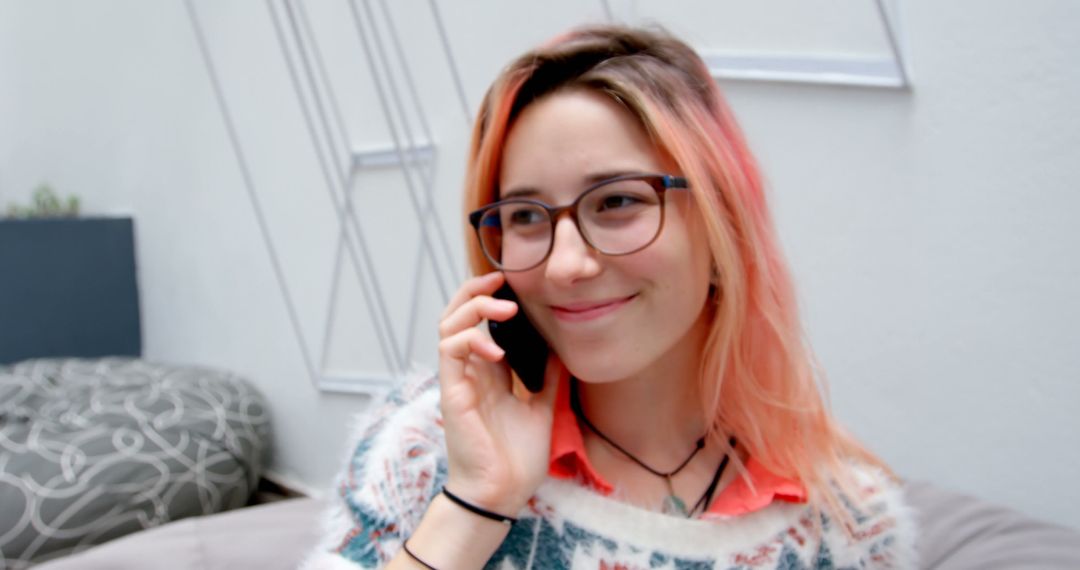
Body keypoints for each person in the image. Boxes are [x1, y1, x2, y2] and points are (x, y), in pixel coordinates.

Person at [304, 24, 915, 569]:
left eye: (618, 201)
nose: (566, 264)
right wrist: (473, 506)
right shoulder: (423, 445)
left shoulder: (851, 526)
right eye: (525, 215)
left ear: (722, 224)